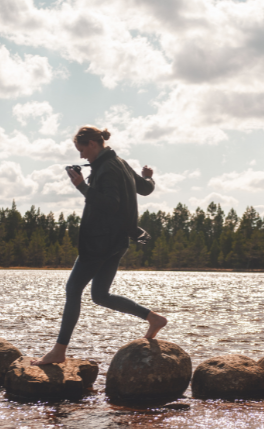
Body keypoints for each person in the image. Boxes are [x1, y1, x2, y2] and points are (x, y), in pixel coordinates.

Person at [31, 126, 167, 365]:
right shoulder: (120, 163)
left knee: (73, 290)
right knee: (100, 295)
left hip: (99, 242)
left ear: (93, 144)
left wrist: (82, 186)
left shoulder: (108, 169)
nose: (82, 156)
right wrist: (148, 176)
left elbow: (111, 204)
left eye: (82, 149)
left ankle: (59, 351)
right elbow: (145, 189)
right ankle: (152, 318)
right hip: (117, 241)